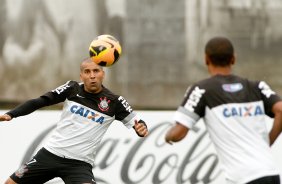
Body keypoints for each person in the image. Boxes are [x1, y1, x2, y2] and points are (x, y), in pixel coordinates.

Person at [0, 58, 149, 184]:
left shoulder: (114, 101)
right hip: (49, 155)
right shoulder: (72, 88)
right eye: (87, 72)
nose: (92, 76)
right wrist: (12, 114)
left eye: (96, 71)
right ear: (81, 75)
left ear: (103, 74)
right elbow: (40, 101)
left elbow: (138, 122)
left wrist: (141, 129)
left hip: (79, 164)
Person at [165, 37, 282, 184]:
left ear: (206, 59)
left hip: (244, 178)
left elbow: (178, 133)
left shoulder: (202, 90)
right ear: (233, 59)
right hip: (271, 173)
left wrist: (168, 136)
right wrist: (267, 143)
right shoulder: (256, 87)